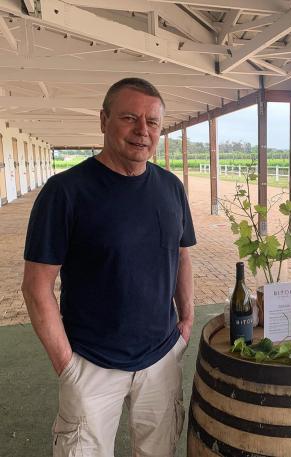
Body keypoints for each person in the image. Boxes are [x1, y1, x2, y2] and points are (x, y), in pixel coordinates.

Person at [21, 77, 196, 457]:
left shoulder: (171, 188)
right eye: (129, 118)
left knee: (159, 452)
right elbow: (36, 287)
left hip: (162, 357)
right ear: (103, 120)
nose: (142, 130)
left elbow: (182, 254)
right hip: (91, 362)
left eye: (152, 122)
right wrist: (67, 366)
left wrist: (186, 322)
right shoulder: (65, 192)